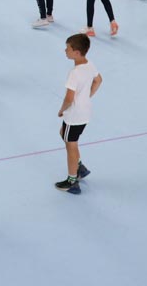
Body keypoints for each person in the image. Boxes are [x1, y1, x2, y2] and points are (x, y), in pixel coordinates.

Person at [53, 33, 100, 195]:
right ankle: (79, 166)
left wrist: (62, 110)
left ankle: (72, 180)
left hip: (74, 114)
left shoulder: (74, 73)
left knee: (70, 145)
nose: (65, 51)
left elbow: (69, 98)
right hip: (85, 111)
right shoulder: (89, 64)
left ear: (77, 52)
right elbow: (98, 80)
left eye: (68, 49)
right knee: (64, 133)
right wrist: (87, 95)